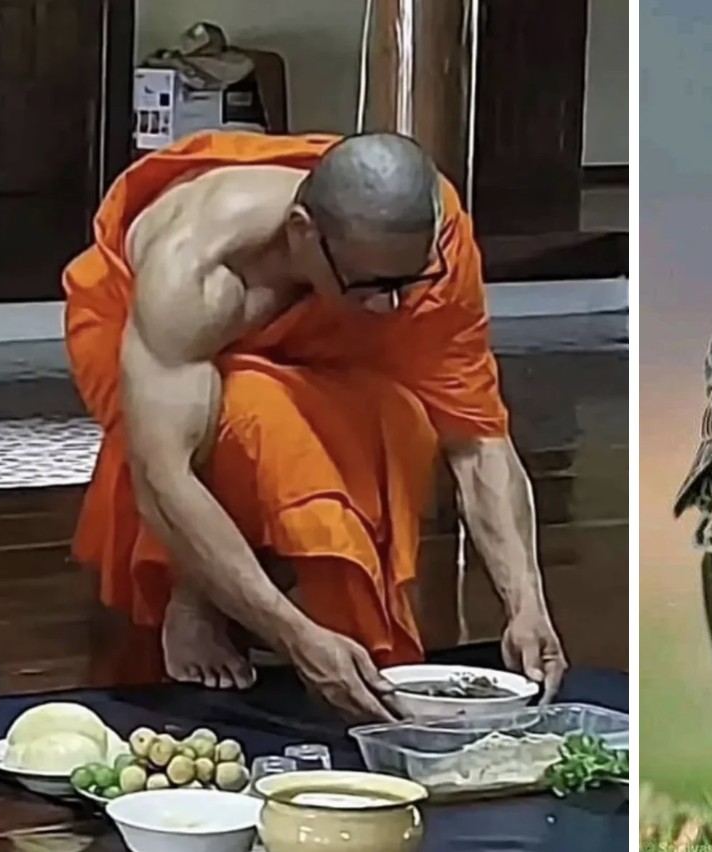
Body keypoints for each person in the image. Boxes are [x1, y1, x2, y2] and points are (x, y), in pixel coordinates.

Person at [62, 129, 567, 722]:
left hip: (315, 313)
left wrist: (526, 603)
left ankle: (233, 597)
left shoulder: (433, 245)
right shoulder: (193, 271)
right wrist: (294, 636)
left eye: (410, 283)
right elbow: (164, 478)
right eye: (374, 286)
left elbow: (477, 436)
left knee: (393, 421)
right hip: (145, 324)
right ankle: (197, 597)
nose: (392, 310)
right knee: (252, 419)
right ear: (303, 231)